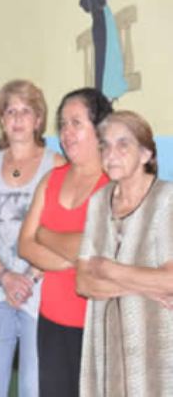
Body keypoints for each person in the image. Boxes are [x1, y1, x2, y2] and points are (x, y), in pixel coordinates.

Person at [0, 81, 64, 397]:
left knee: (34, 388)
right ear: (2, 119)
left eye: (26, 111)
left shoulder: (56, 165)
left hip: (40, 293)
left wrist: (27, 279)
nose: (18, 118)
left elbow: (62, 234)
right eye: (11, 111)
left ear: (39, 119)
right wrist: (6, 277)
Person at [18, 87, 112, 397]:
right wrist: (74, 255)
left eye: (76, 123)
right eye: (63, 124)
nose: (67, 132)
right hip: (51, 321)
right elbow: (24, 245)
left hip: (97, 326)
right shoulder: (52, 178)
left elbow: (95, 248)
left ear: (99, 129)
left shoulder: (113, 185)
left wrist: (44, 235)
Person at [77, 110, 173, 396]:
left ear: (145, 154)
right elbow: (83, 283)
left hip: (154, 348)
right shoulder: (98, 202)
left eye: (123, 145)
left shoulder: (166, 199)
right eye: (105, 146)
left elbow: (169, 281)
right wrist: (143, 285)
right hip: (105, 349)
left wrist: (107, 269)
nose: (111, 154)